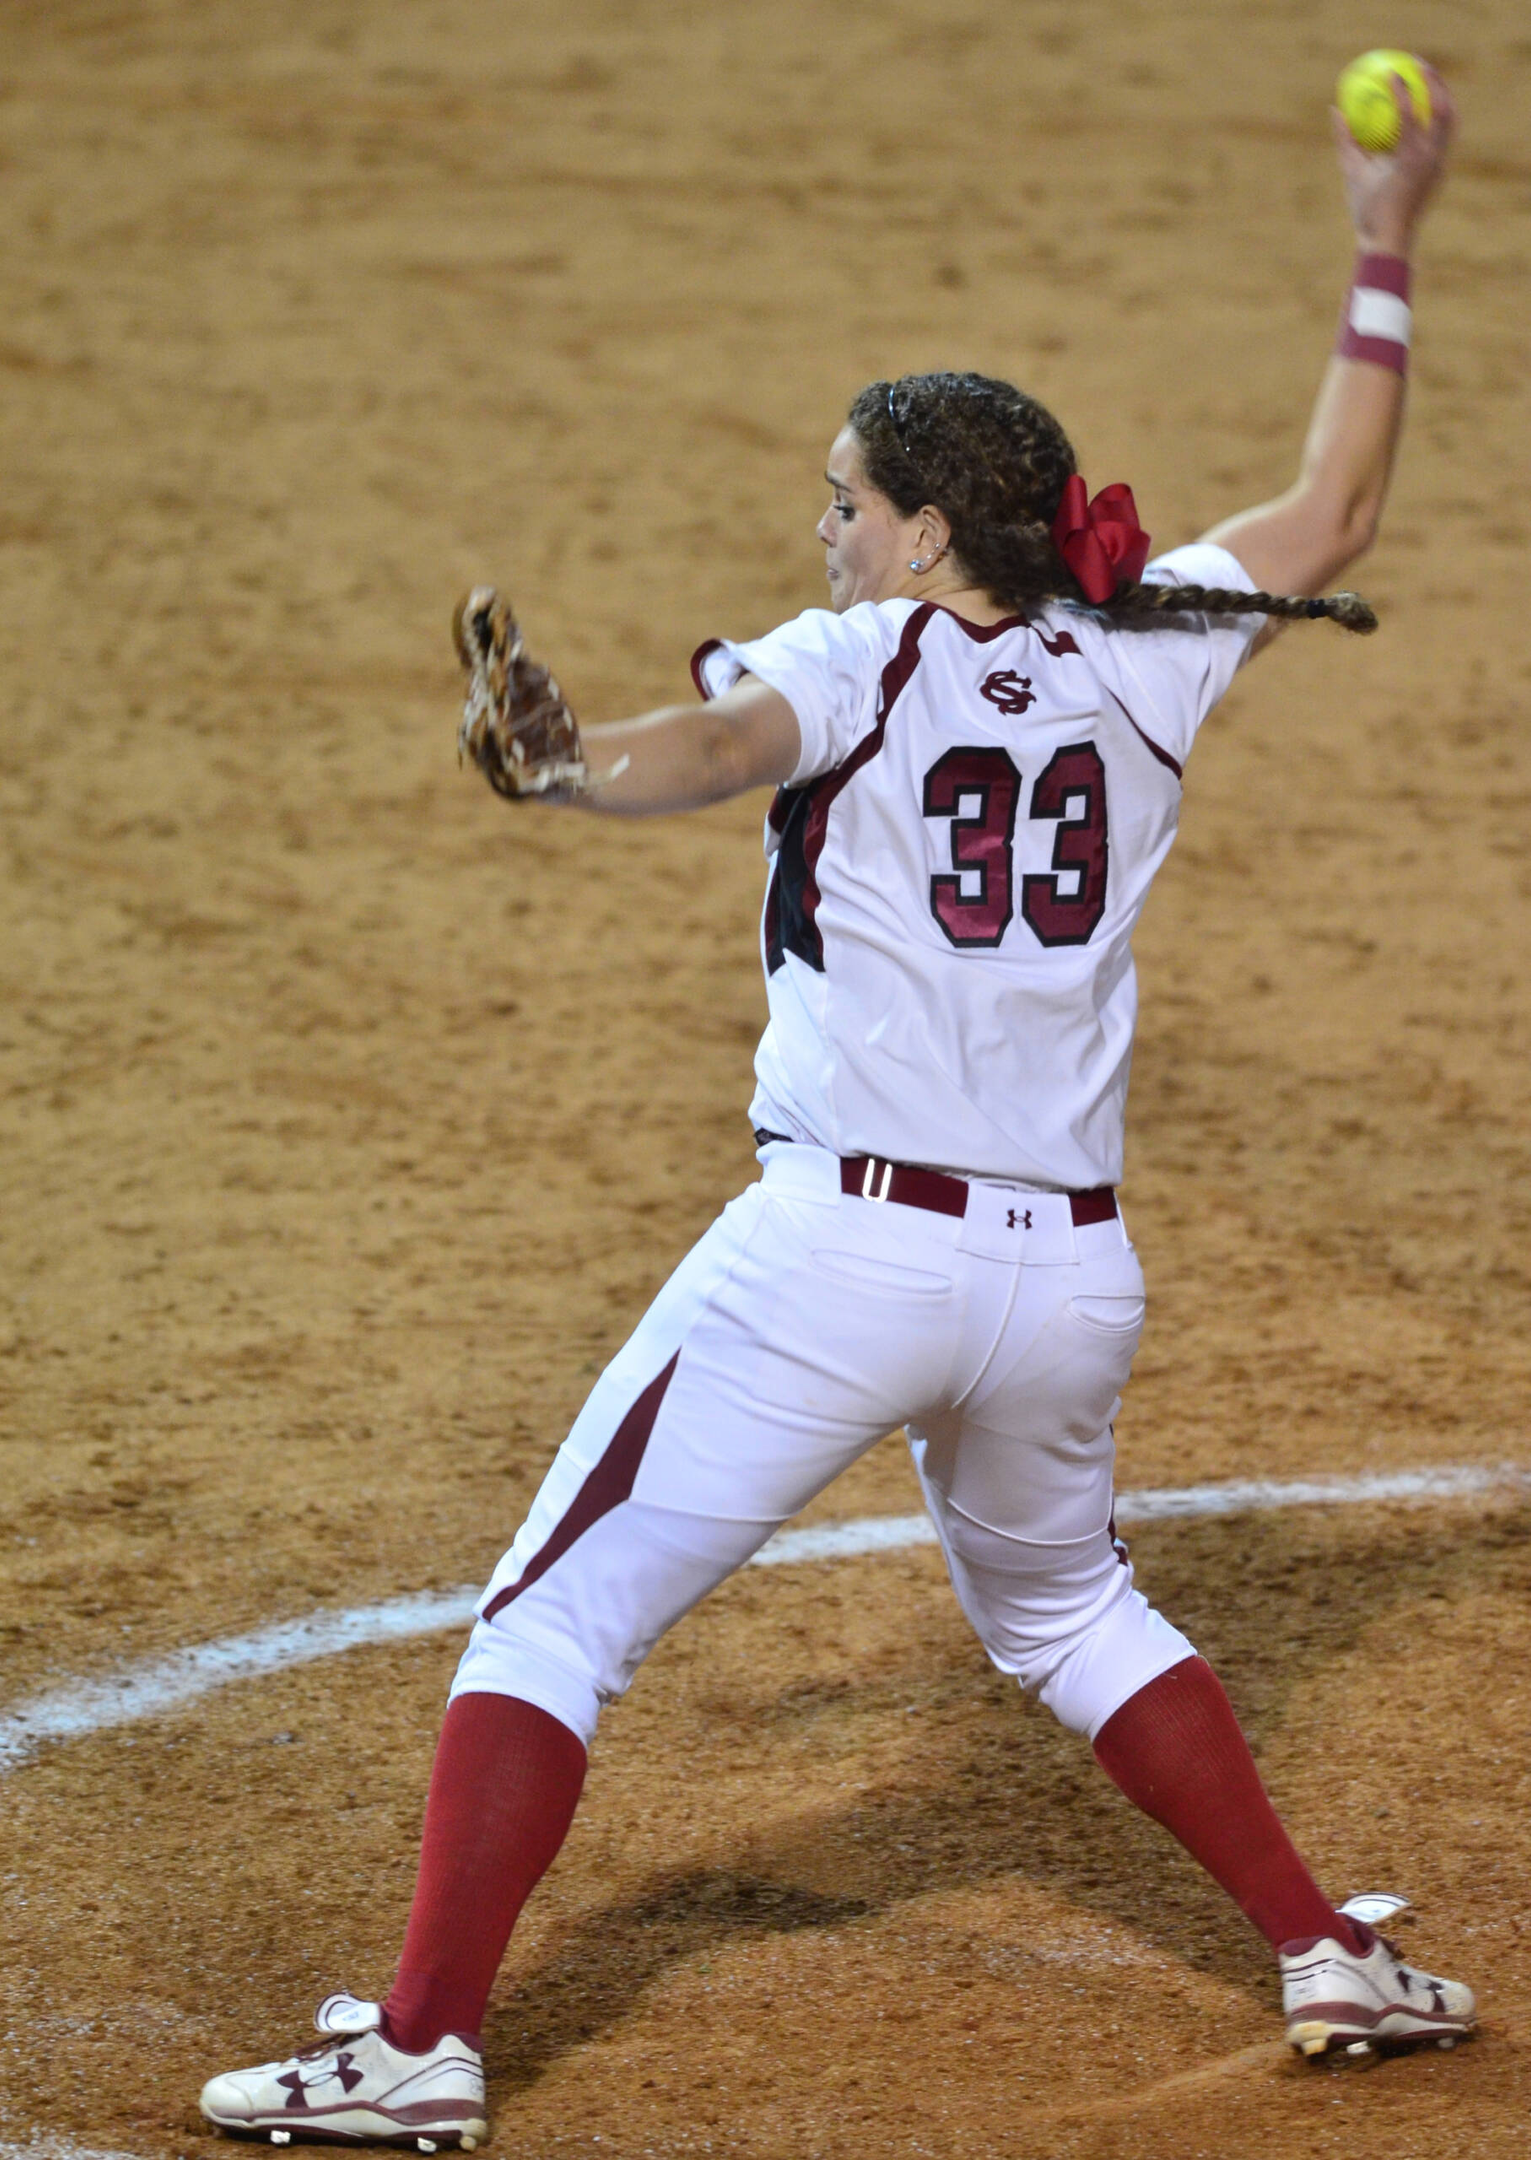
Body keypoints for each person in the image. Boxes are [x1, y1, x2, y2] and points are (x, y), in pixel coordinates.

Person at [202, 72, 1471, 2151]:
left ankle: (421, 2044)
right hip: (1067, 1283)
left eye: (847, 499)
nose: (827, 528)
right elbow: (1333, 509)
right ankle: (1325, 1942)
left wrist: (560, 763)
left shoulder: (869, 654)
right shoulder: (1149, 653)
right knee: (1065, 1608)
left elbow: (718, 746)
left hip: (846, 1256)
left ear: (928, 527)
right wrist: (1382, 231)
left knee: (549, 1615)